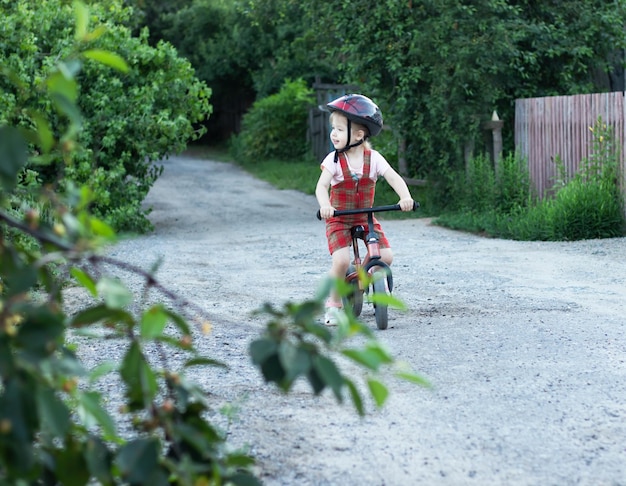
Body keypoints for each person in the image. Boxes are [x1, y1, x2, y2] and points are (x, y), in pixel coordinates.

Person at [315, 94, 415, 326]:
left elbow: (393, 177)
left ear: (359, 135)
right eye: (333, 128)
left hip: (365, 216)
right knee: (340, 261)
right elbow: (321, 186)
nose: (334, 134)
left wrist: (405, 197)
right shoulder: (334, 160)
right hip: (338, 218)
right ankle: (333, 306)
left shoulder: (374, 159)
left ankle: (368, 277)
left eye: (340, 129)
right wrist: (325, 206)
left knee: (386, 256)